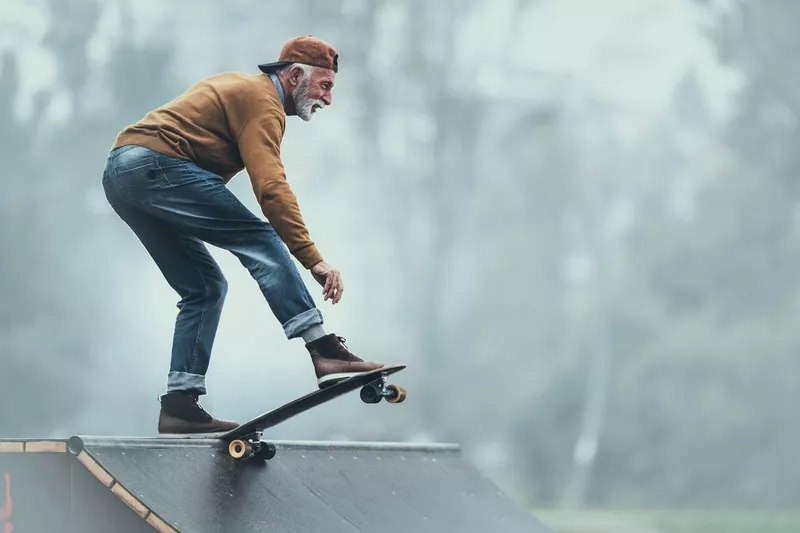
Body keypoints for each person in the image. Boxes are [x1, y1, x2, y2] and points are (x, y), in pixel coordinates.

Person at [101, 35, 384, 435]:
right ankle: (324, 350)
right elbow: (271, 187)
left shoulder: (244, 91)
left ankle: (180, 402)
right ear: (295, 75)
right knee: (262, 240)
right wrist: (313, 259)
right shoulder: (262, 102)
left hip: (125, 175)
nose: (328, 99)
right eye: (325, 86)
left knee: (205, 288)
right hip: (152, 165)